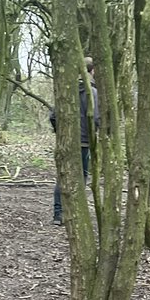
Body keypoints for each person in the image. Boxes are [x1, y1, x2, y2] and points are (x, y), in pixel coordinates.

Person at [50, 57, 100, 225]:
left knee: (62, 176)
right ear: (92, 71)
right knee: (81, 176)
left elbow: (53, 116)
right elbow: (96, 119)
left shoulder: (66, 90)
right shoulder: (92, 92)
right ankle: (75, 212)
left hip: (66, 142)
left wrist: (61, 133)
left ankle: (58, 214)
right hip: (84, 142)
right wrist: (93, 136)